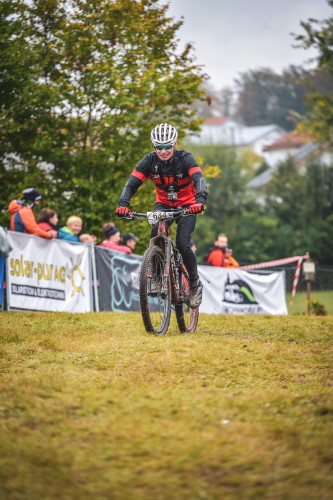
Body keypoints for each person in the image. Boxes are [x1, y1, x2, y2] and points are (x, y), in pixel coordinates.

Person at [115, 123, 208, 308]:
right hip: (164, 204)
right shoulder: (149, 161)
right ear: (153, 146)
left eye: (167, 146)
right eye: (159, 147)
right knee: (157, 233)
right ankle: (157, 276)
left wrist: (200, 200)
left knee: (183, 243)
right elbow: (131, 184)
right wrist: (123, 204)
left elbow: (199, 179)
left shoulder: (186, 158)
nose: (163, 151)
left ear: (175, 144)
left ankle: (195, 284)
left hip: (188, 205)